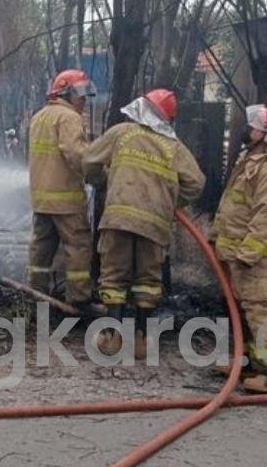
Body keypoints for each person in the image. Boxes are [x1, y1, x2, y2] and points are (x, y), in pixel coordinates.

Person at [83, 89, 205, 358]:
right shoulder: (173, 147)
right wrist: (170, 202)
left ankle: (112, 337)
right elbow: (196, 183)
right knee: (148, 282)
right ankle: (140, 339)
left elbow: (89, 161)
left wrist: (103, 181)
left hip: (119, 219)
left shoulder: (122, 133)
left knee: (114, 278)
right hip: (154, 224)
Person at [213, 103, 267, 393]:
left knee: (255, 309)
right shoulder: (251, 162)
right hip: (235, 253)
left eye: (256, 127)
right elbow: (233, 207)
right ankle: (245, 362)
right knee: (238, 309)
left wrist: (247, 254)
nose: (250, 130)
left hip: (252, 257)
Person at [26, 69, 97, 310]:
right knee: (78, 248)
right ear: (65, 93)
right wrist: (98, 174)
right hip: (66, 201)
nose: (84, 100)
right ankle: (78, 299)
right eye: (80, 94)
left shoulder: (39, 117)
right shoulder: (69, 118)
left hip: (42, 199)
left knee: (41, 249)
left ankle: (35, 294)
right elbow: (76, 154)